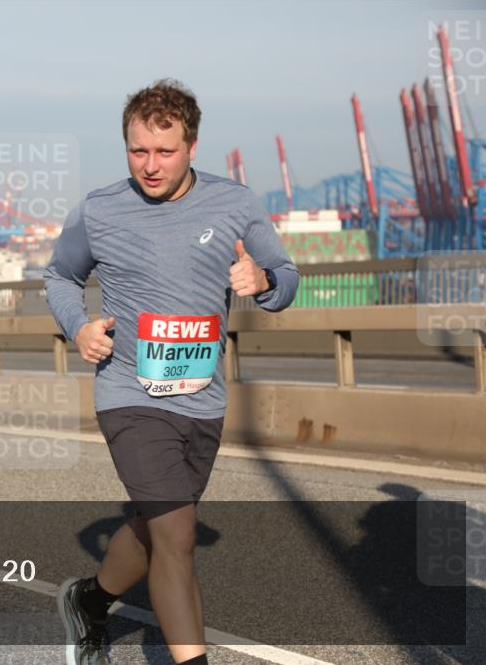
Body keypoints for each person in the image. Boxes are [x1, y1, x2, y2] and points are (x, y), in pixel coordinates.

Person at [45, 80, 299, 665]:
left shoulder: (235, 204)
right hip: (129, 393)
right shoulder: (99, 209)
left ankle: (89, 599)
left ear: (192, 147)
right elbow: (60, 275)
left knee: (155, 525)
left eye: (165, 151)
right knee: (179, 537)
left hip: (202, 400)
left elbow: (287, 279)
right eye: (138, 151)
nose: (150, 165)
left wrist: (263, 281)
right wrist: (78, 327)